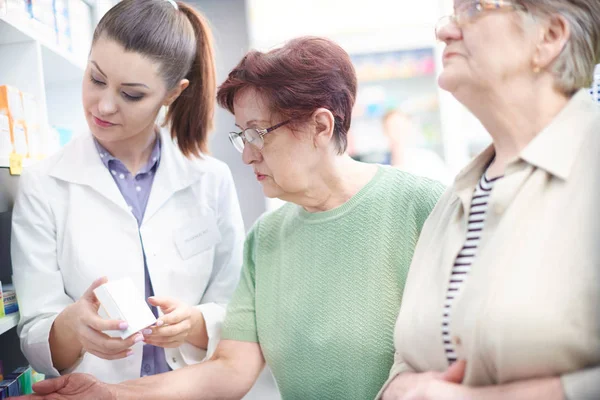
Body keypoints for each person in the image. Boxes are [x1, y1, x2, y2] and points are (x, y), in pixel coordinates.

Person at [14, 36, 445, 400]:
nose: (247, 153)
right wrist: (112, 394)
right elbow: (230, 368)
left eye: (257, 133)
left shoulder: (424, 209)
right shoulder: (268, 239)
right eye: (242, 135)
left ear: (320, 126)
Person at [11, 0, 247, 386]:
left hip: (189, 391)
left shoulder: (210, 180)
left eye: (131, 95)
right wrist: (72, 328)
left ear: (173, 93)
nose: (103, 105)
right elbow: (35, 335)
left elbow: (238, 311)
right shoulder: (44, 183)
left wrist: (196, 323)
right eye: (96, 79)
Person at [378, 0, 600, 399]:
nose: (444, 30)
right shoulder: (452, 200)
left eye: (474, 8)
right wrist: (402, 389)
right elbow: (406, 357)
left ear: (548, 37)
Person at [382, 109, 452, 184]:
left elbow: (446, 186)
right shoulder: (384, 166)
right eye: (393, 127)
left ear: (408, 127)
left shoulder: (428, 158)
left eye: (401, 126)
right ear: (385, 131)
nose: (398, 131)